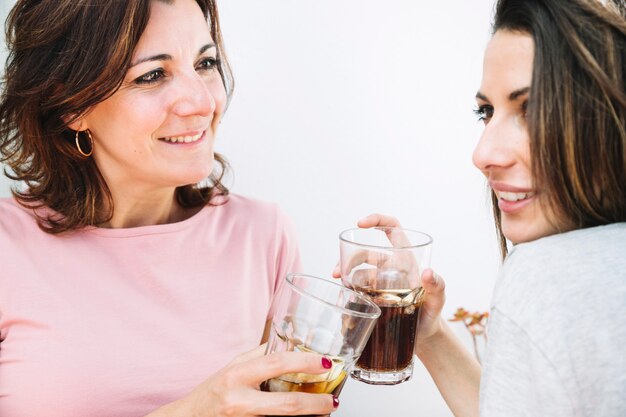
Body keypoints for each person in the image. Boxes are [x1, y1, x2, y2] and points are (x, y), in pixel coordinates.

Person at [0, 1, 338, 416]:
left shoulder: (262, 235)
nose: (201, 102)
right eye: (152, 75)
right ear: (72, 104)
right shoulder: (7, 247)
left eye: (206, 62)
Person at [335, 0, 626, 416]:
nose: (483, 153)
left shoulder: (542, 276)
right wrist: (430, 334)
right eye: (486, 112)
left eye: (531, 109)